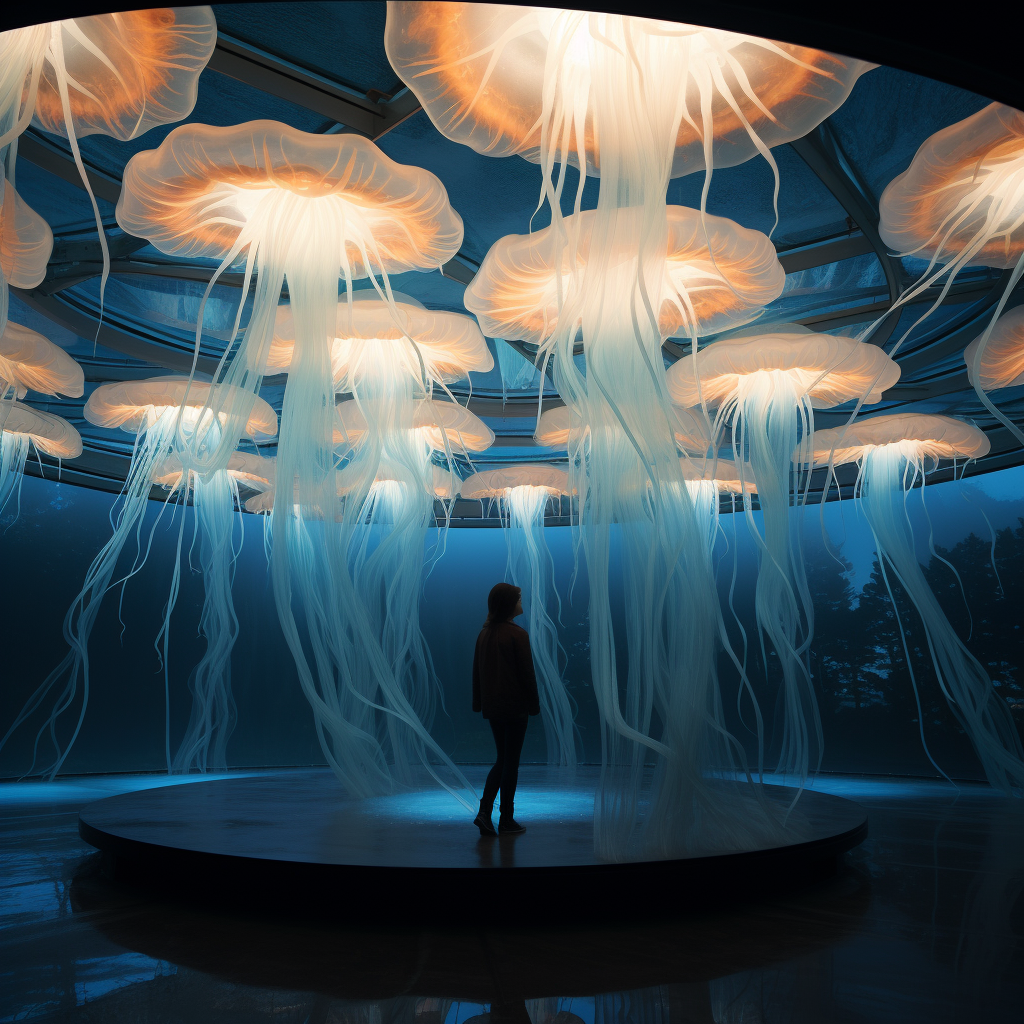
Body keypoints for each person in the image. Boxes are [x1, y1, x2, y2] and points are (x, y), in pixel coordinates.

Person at [472, 582, 540, 836]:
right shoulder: (517, 635)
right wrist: (533, 705)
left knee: (503, 759)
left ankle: (485, 813)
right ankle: (505, 819)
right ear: (509, 604)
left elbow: (476, 673)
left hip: (493, 707)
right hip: (515, 707)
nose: (522, 602)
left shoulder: (484, 633)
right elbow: (527, 674)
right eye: (519, 599)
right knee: (510, 763)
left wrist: (479, 702)